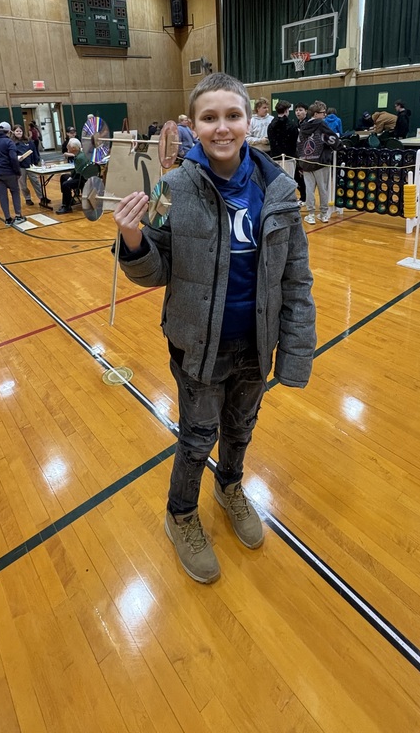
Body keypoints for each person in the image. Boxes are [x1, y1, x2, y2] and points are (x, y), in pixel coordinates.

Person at [114, 72, 315, 584]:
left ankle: (230, 487)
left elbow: (297, 279)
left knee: (241, 430)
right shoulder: (173, 187)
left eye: (232, 116)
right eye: (209, 117)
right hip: (198, 346)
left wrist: (293, 355)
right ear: (193, 126)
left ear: (250, 121)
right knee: (198, 437)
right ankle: (181, 514)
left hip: (255, 343)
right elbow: (155, 271)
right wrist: (134, 239)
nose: (222, 127)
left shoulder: (280, 190)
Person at [297, 101, 340, 223]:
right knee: (323, 189)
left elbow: (299, 144)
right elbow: (332, 139)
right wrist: (340, 146)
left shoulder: (303, 126)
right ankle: (323, 214)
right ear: (316, 114)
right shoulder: (321, 124)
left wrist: (301, 161)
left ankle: (310, 215)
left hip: (306, 162)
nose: (325, 115)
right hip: (320, 162)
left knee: (309, 190)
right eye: (323, 113)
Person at [0, 122, 23, 226]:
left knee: (2, 196)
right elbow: (13, 159)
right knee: (15, 192)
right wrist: (17, 172)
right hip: (9, 172)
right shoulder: (9, 142)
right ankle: (18, 215)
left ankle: (7, 218)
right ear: (9, 131)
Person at [56, 138, 97, 214]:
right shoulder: (82, 153)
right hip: (87, 178)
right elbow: (77, 170)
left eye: (68, 146)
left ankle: (67, 207)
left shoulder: (79, 157)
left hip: (84, 180)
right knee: (63, 177)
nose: (67, 147)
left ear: (73, 148)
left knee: (65, 185)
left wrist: (70, 179)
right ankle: (67, 199)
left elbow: (77, 174)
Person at [11, 123, 41, 206]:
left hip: (30, 165)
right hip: (20, 167)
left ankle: (42, 197)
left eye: (20, 131)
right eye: (17, 131)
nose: (19, 132)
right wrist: (17, 158)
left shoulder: (28, 141)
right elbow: (11, 154)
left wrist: (36, 162)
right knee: (23, 184)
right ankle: (27, 198)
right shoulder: (12, 143)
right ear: (13, 132)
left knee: (36, 182)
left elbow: (34, 152)